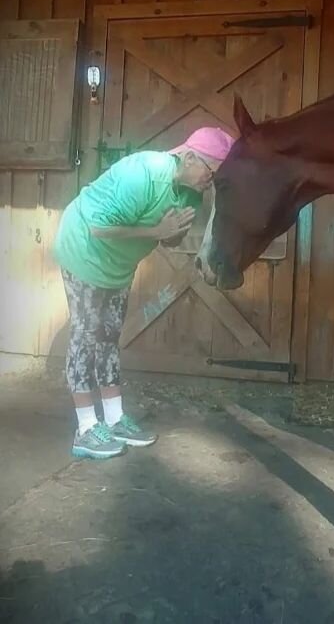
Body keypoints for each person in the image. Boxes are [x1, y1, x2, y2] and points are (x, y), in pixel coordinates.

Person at [53, 127, 235, 460]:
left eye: (216, 177)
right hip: (83, 251)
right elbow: (98, 226)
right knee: (86, 336)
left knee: (108, 337)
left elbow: (168, 239)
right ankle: (86, 429)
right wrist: (157, 230)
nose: (210, 181)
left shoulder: (191, 194)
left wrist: (173, 235)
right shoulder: (144, 173)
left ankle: (114, 418)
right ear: (190, 157)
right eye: (210, 171)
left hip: (117, 267)